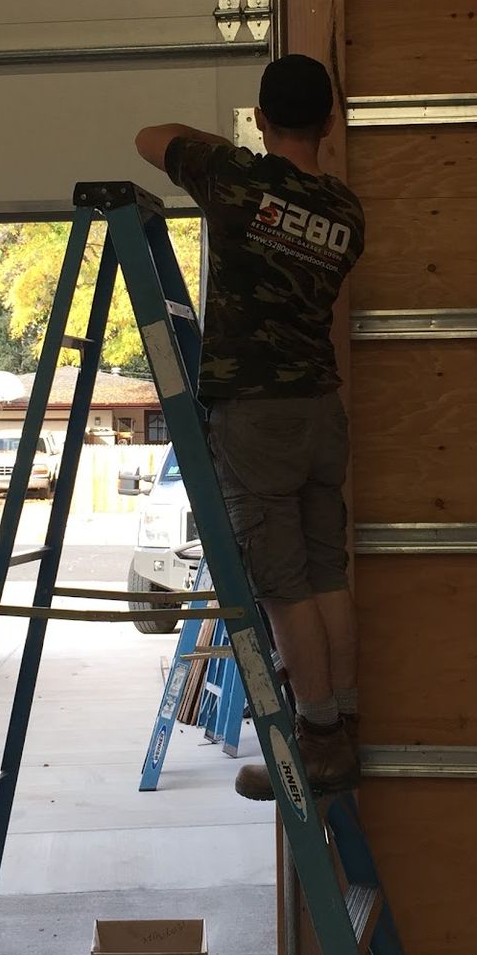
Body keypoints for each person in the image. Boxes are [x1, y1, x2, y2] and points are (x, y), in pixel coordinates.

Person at [134, 53, 366, 798]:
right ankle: (343, 724)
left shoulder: (234, 179)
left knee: (282, 586)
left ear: (261, 119)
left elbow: (149, 136)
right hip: (321, 412)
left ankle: (317, 742)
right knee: (326, 573)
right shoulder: (345, 211)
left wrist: (238, 148)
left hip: (256, 415)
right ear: (329, 121)